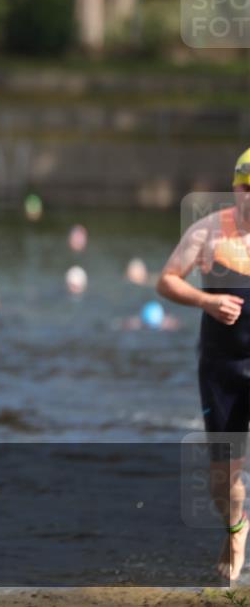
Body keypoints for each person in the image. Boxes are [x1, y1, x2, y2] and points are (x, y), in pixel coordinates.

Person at [156, 147, 250, 581]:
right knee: (221, 479)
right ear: (235, 188)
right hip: (222, 368)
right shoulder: (209, 231)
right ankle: (237, 529)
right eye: (246, 187)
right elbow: (166, 280)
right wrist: (207, 301)